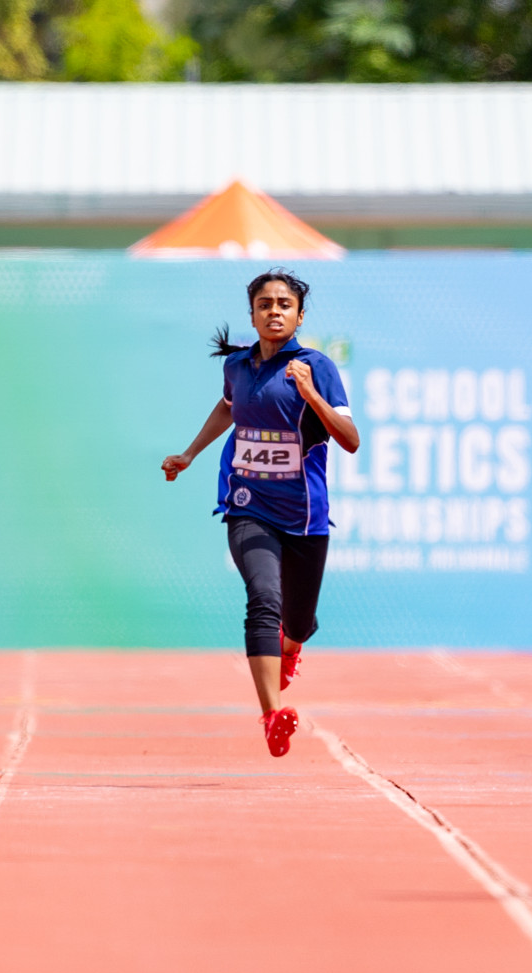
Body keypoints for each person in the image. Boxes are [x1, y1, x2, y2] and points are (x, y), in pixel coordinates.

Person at [161, 269, 359, 757]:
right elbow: (228, 408)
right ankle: (271, 715)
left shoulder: (317, 366)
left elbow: (350, 441)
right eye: (265, 304)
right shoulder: (239, 368)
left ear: (299, 315)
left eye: (284, 304)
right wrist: (189, 454)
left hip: (305, 516)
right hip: (247, 503)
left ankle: (291, 647)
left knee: (296, 620)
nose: (274, 311)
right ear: (251, 313)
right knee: (263, 598)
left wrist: (311, 394)